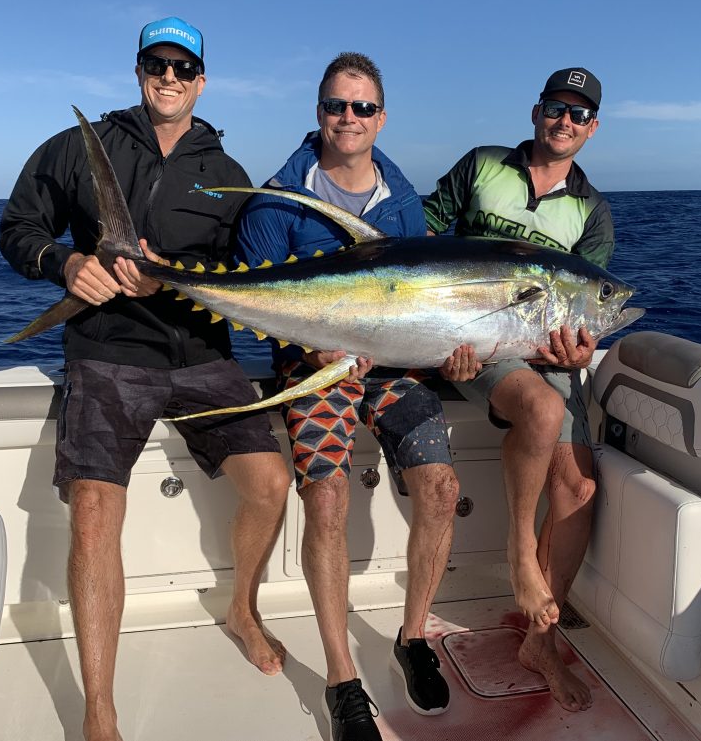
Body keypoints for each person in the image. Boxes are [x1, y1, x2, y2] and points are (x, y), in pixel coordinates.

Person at [0, 17, 292, 741]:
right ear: (137, 70)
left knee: (271, 483)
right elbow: (16, 228)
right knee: (96, 510)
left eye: (183, 66)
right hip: (106, 348)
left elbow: (248, 273)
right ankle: (101, 710)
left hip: (200, 352)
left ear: (201, 80)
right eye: (156, 63)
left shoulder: (226, 174)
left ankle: (242, 608)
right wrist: (66, 265)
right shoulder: (79, 148)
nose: (169, 76)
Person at [236, 53, 476, 741]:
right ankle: (343, 677)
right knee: (328, 494)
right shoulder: (279, 199)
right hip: (314, 367)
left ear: (381, 117)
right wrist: (315, 352)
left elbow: (426, 307)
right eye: (338, 106)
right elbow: (263, 305)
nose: (349, 118)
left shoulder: (403, 204)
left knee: (439, 485)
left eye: (362, 107)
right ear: (319, 113)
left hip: (391, 367)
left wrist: (451, 359)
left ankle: (411, 636)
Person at [422, 67, 614, 713]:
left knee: (580, 486)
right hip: (475, 342)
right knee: (541, 405)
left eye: (579, 114)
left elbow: (590, 303)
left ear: (592, 128)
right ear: (536, 113)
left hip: (544, 349)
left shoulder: (592, 209)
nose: (566, 121)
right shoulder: (482, 166)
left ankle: (540, 639)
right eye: (557, 108)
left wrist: (582, 346)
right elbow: (420, 234)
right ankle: (520, 565)